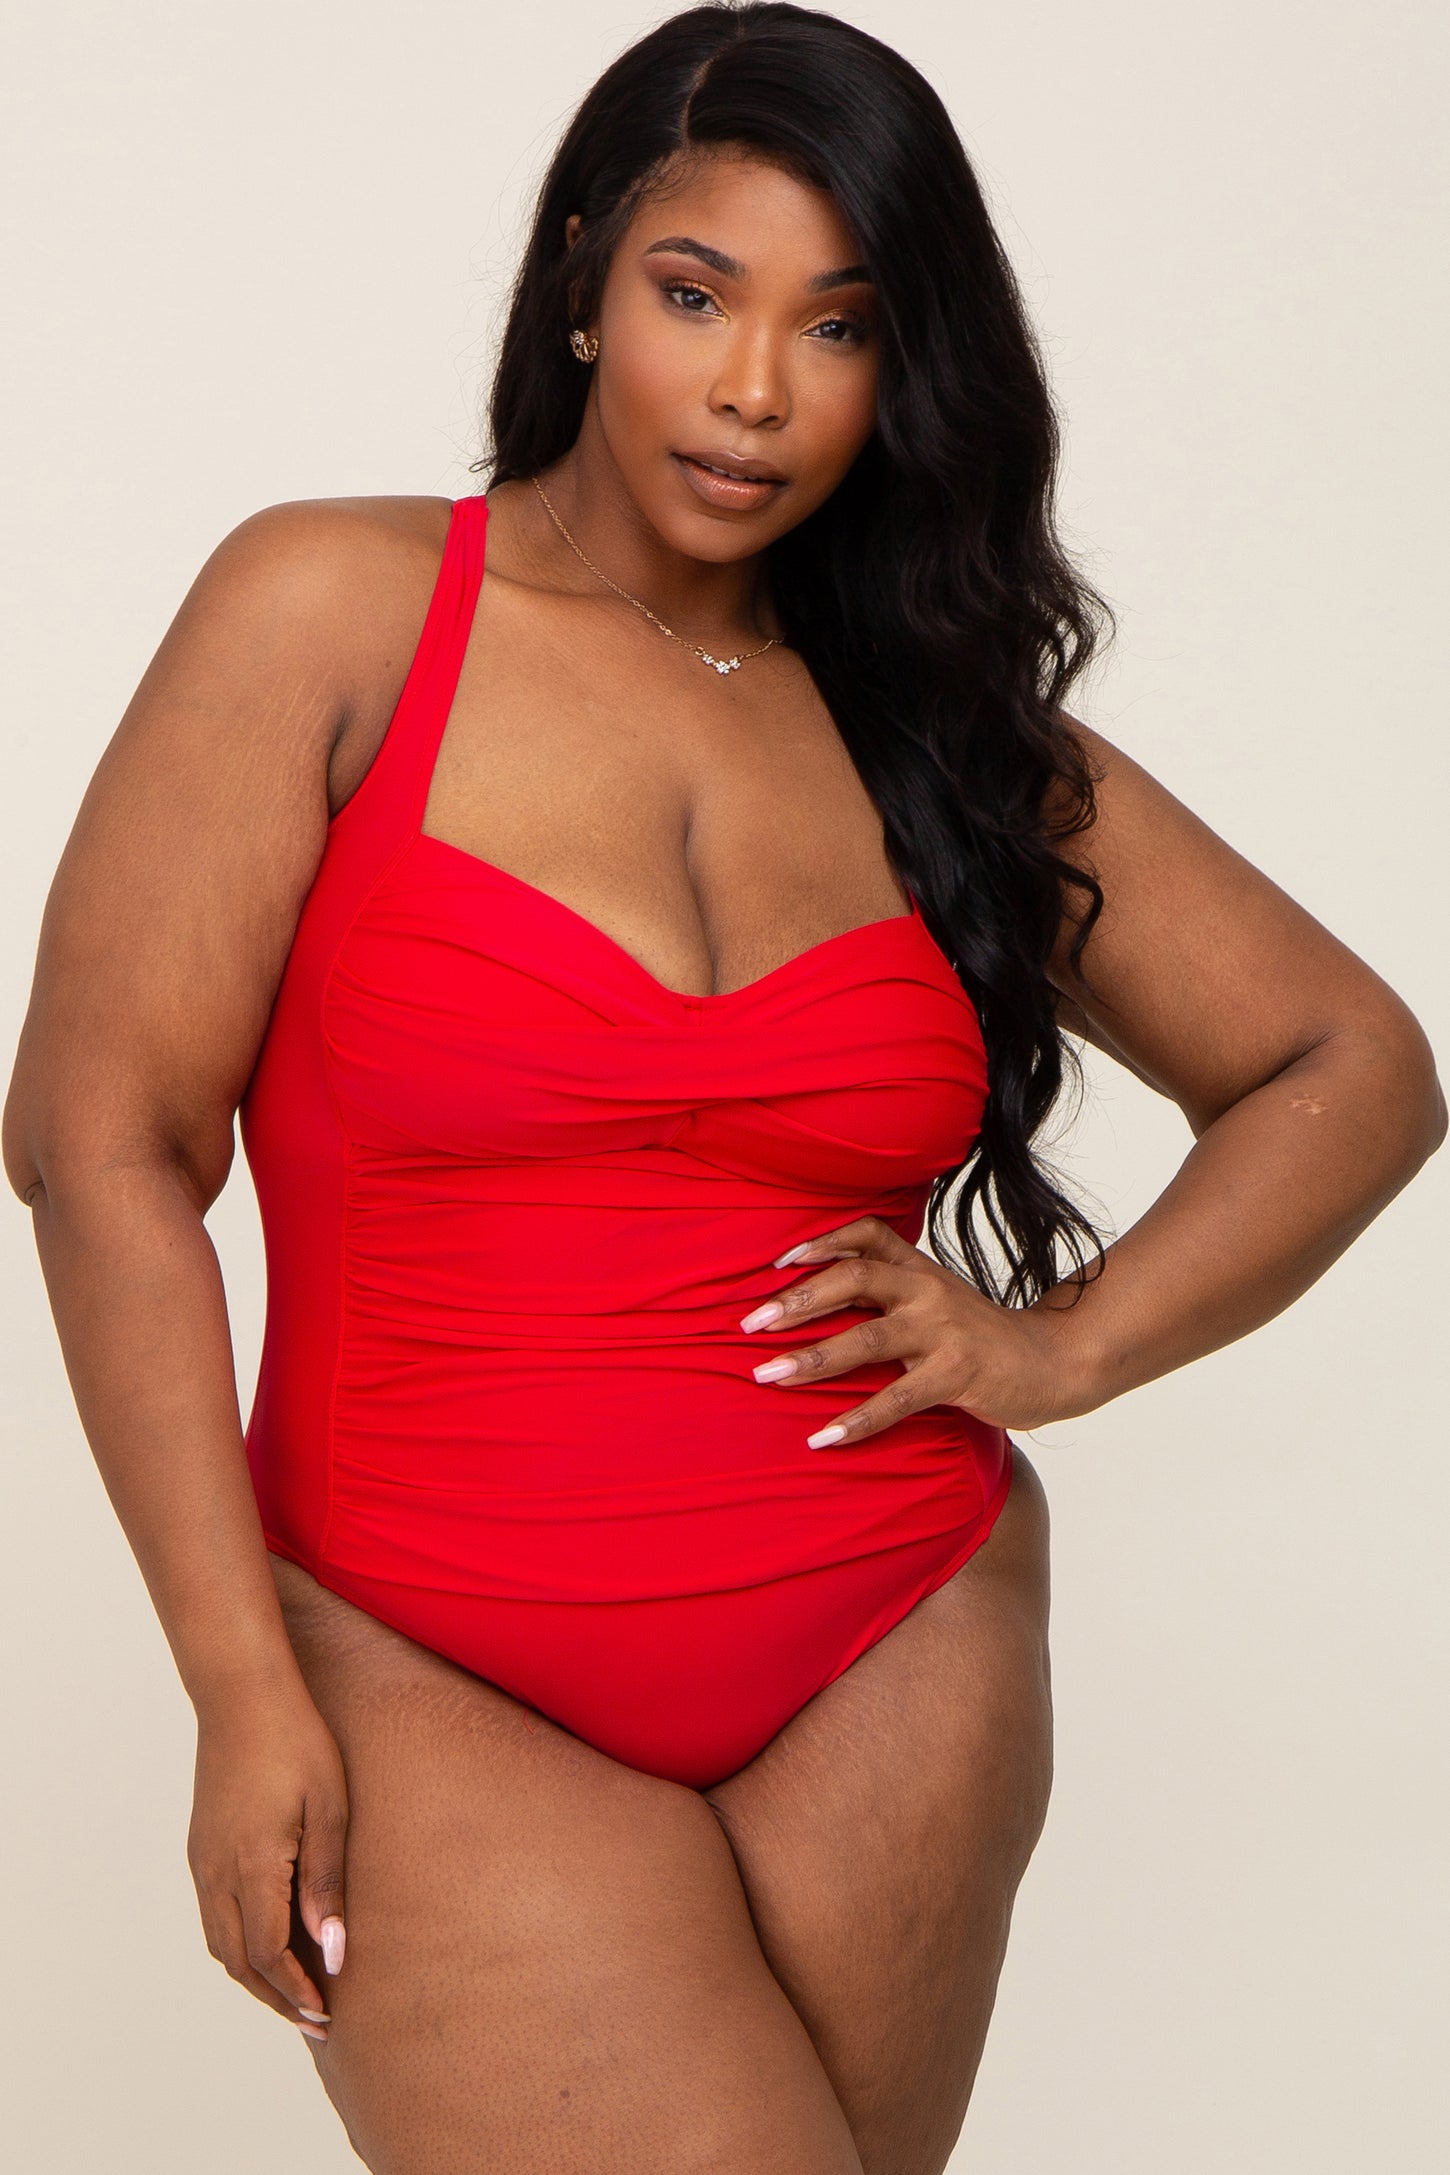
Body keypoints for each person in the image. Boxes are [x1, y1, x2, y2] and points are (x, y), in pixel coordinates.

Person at [5, 5, 1443, 2169]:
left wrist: (1057, 1348)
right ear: (585, 279)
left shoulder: (937, 729)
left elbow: (1351, 1061)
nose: (757, 387)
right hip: (414, 1652)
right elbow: (98, 1142)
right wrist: (235, 1682)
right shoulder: (331, 606)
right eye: (697, 295)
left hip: (894, 1633)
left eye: (836, 326)